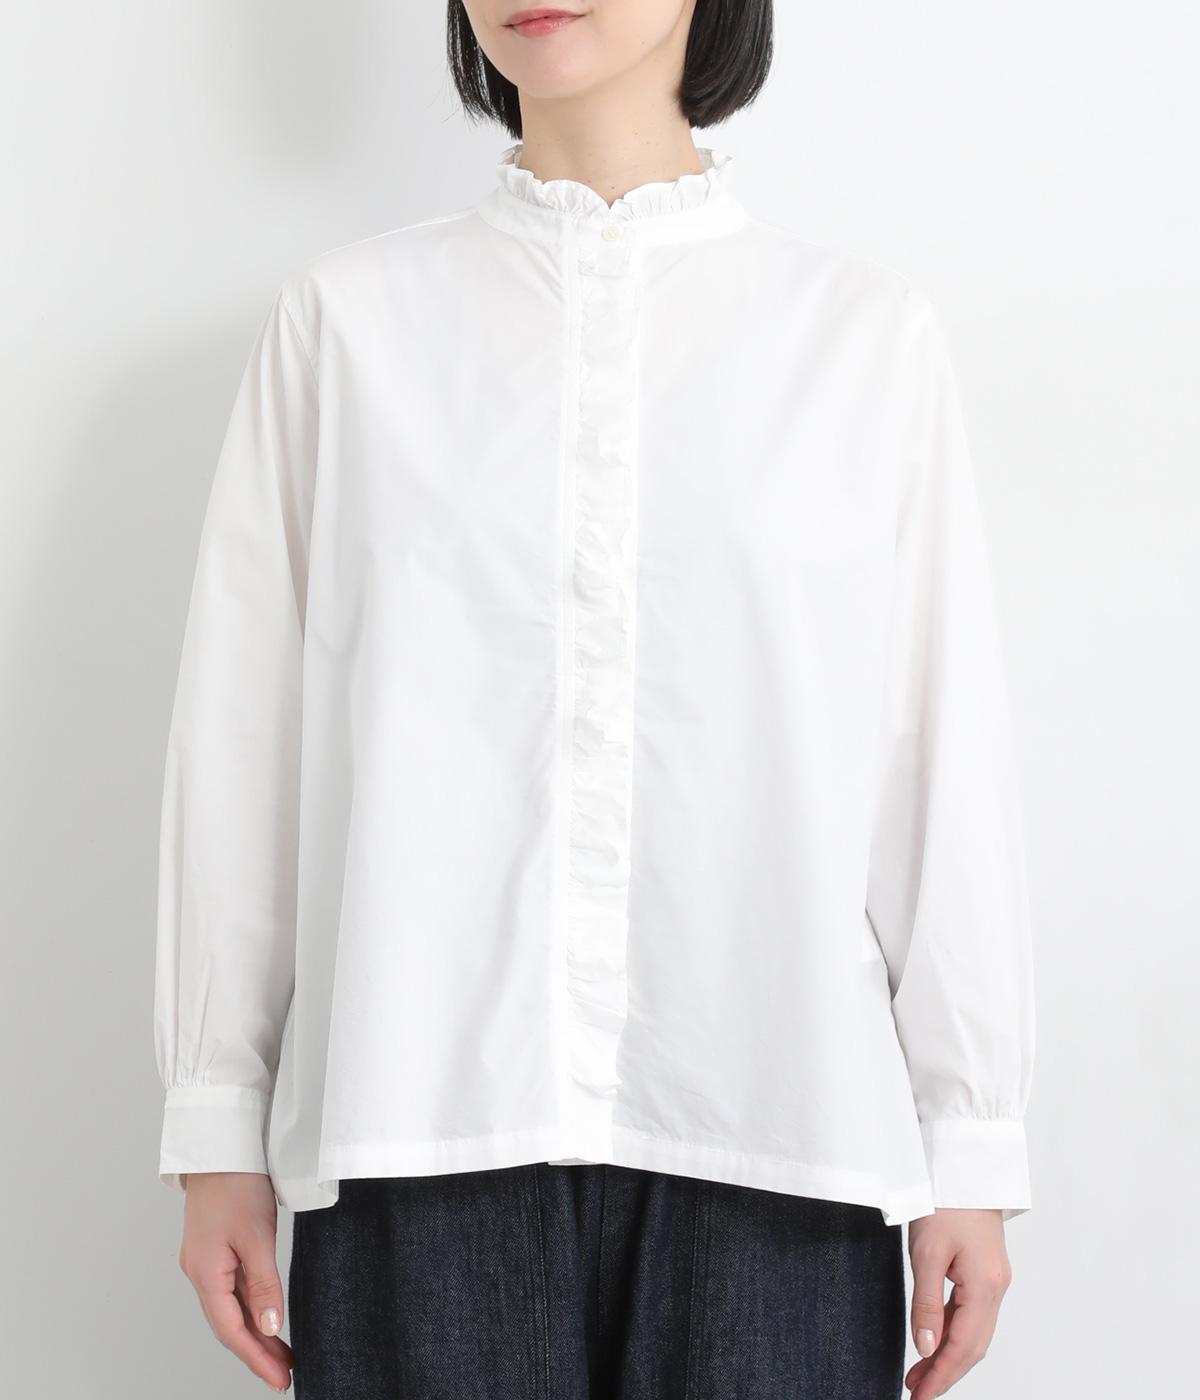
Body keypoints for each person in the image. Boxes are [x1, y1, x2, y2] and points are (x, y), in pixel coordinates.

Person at [153, 2, 1036, 1397]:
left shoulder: (862, 340)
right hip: (421, 1128)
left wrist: (969, 1140)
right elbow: (244, 751)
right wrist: (218, 1126)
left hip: (779, 1134)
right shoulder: (348, 329)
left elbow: (935, 759)